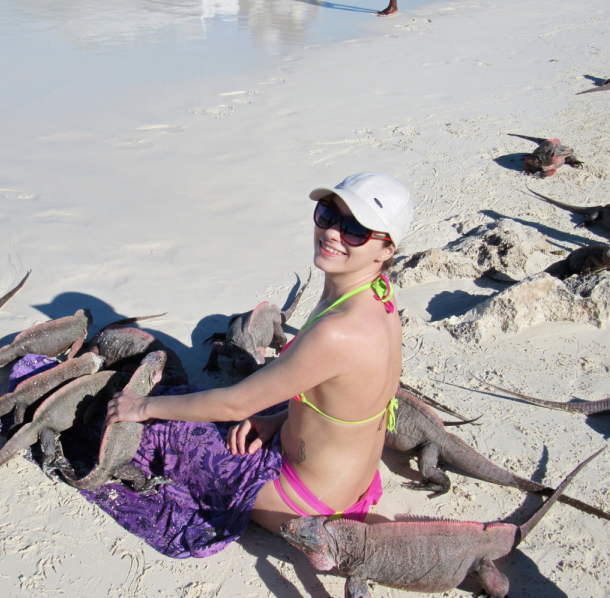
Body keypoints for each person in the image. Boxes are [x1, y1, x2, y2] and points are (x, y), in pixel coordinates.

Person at [102, 172, 413, 550]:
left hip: (305, 503)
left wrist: (143, 406)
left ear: (386, 250)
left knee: (157, 432)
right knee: (238, 405)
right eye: (329, 215)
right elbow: (347, 399)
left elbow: (236, 402)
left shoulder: (338, 331)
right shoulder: (378, 295)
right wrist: (276, 420)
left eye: (355, 229)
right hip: (349, 481)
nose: (333, 232)